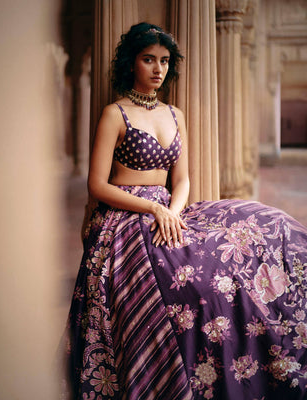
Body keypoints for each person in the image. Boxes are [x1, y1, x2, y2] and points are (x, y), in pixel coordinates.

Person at [65, 22, 307, 399]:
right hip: (126, 216)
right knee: (197, 279)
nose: (158, 69)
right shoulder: (116, 113)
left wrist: (173, 212)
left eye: (164, 61)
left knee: (264, 224)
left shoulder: (175, 114)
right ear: (132, 63)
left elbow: (182, 181)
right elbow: (97, 185)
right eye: (149, 60)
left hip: (170, 210)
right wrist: (152, 209)